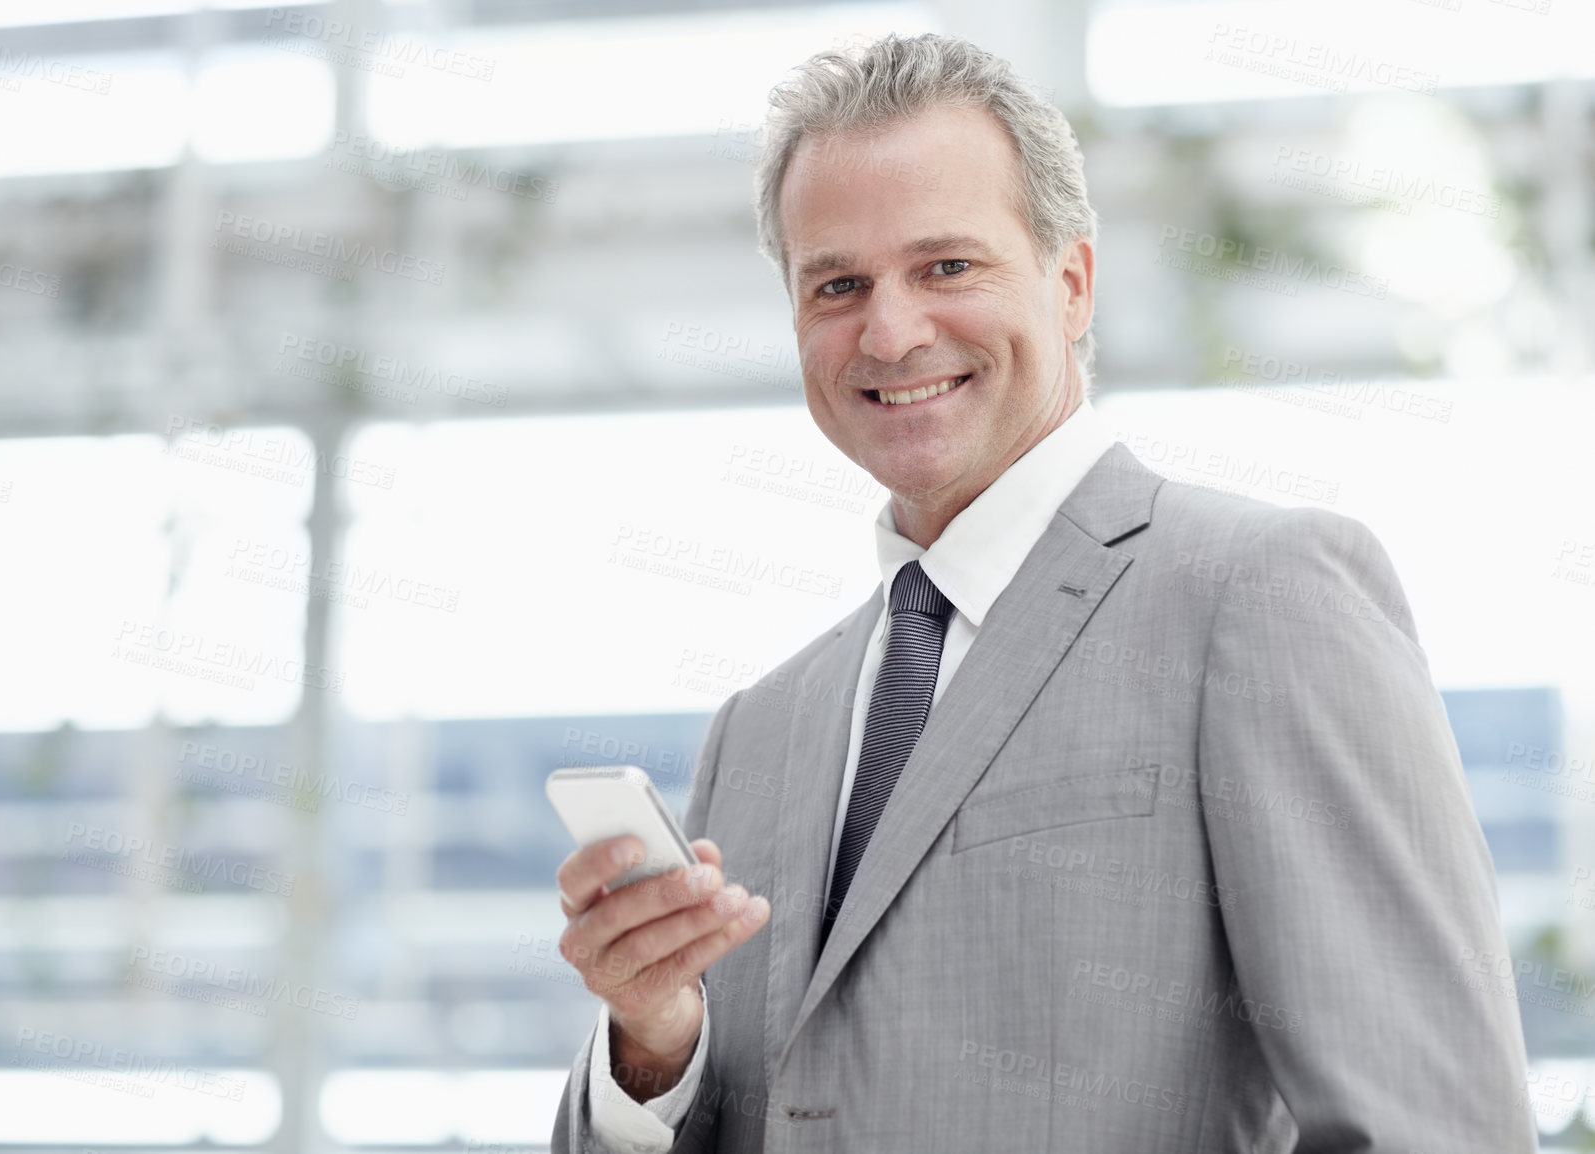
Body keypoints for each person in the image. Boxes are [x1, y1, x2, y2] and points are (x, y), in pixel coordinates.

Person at [550, 32, 1534, 1153]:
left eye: (946, 267)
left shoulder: (1259, 596)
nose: (890, 329)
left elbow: (1438, 1124)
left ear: (1070, 283)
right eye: (837, 284)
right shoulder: (758, 729)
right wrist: (651, 1043)